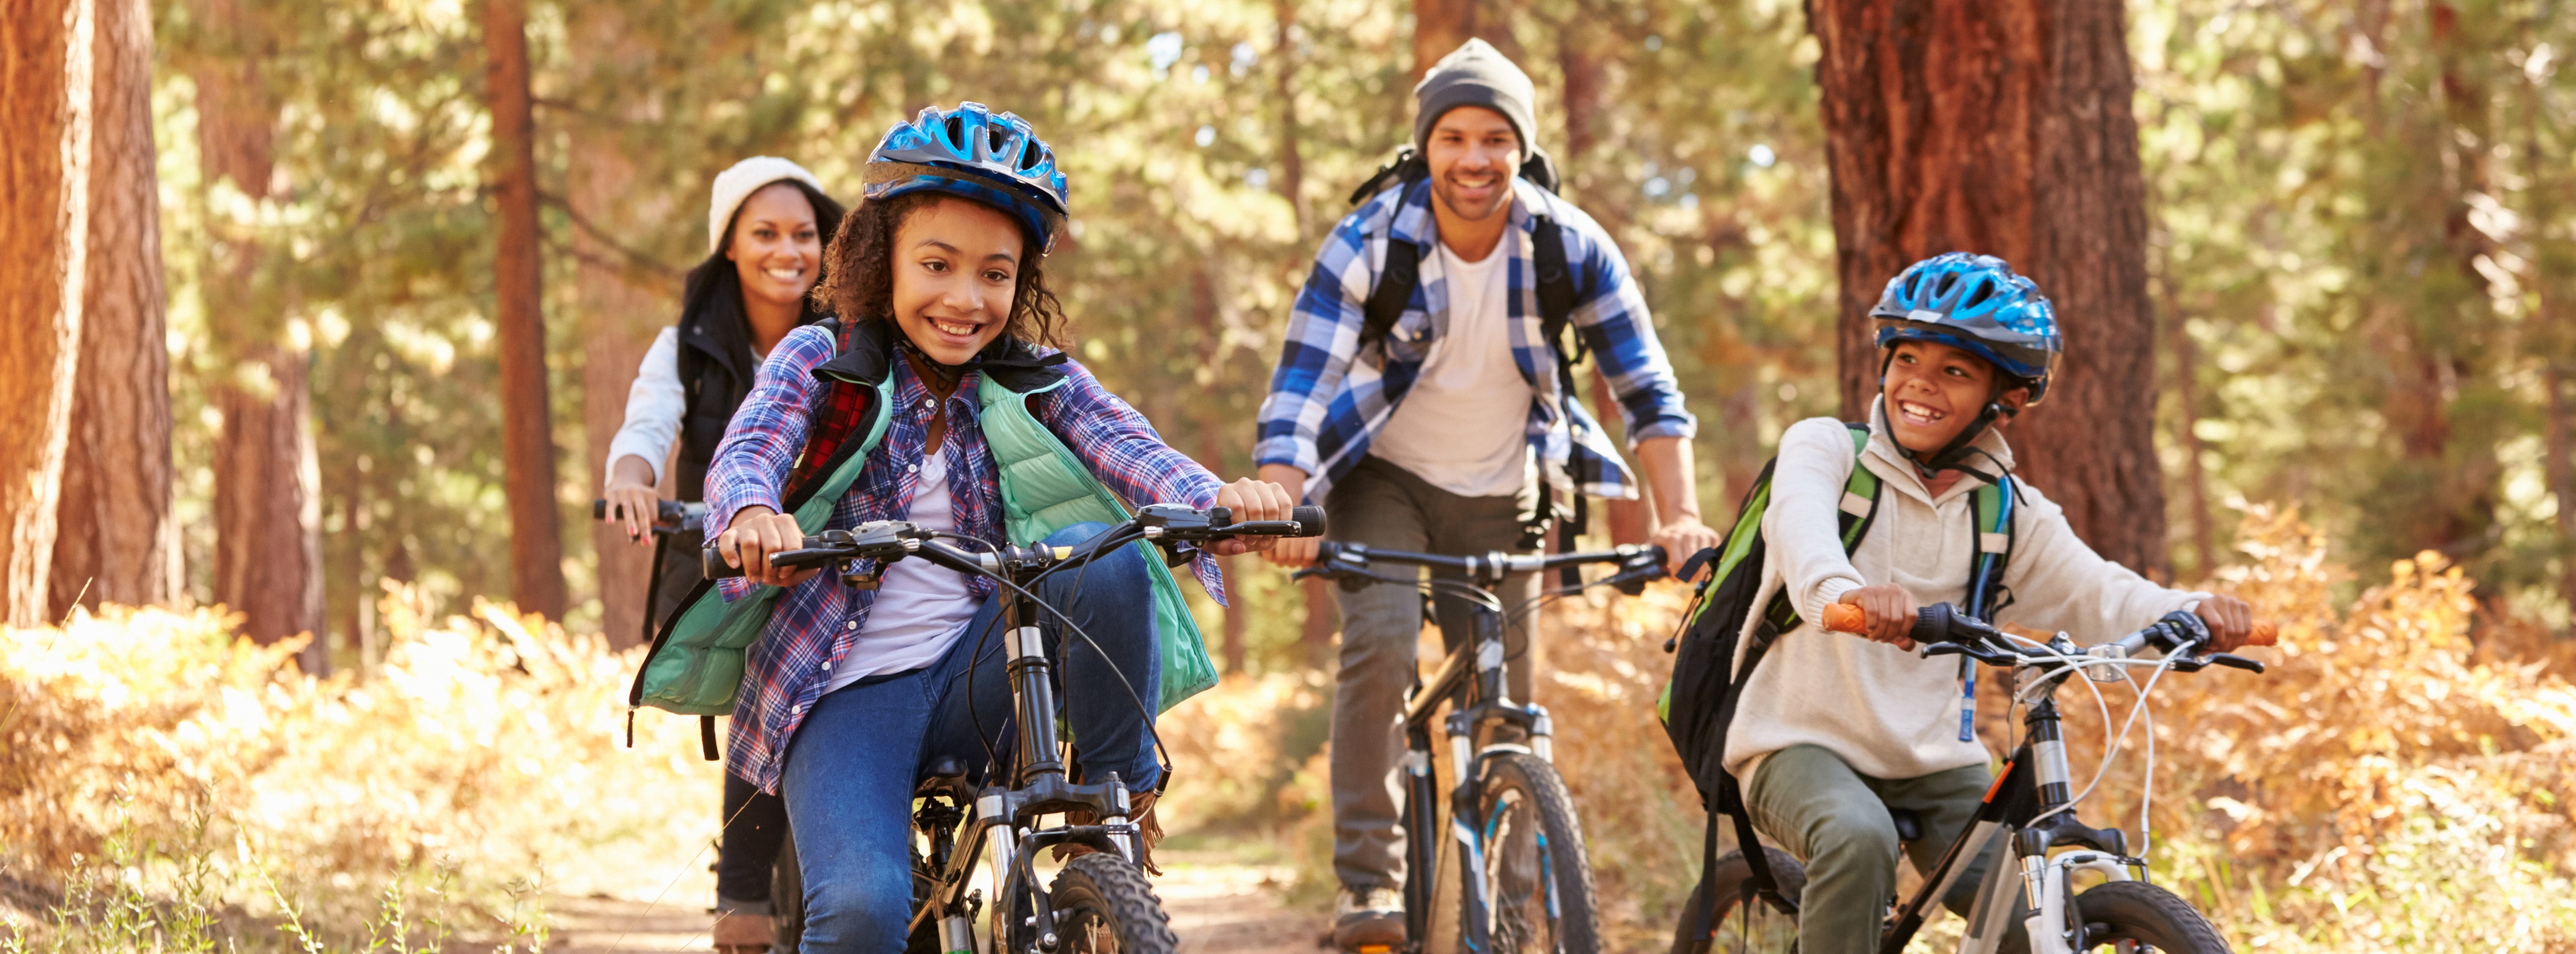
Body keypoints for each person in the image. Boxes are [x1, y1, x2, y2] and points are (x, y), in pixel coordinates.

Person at [702, 102, 1296, 954]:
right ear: (884, 260)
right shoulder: (819, 358)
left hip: (987, 678)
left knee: (1106, 555)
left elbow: (1131, 448)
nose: (965, 299)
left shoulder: (1033, 378)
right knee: (864, 914)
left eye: (994, 273)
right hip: (845, 692)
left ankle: (1110, 823)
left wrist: (1221, 503)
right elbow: (752, 447)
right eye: (937, 265)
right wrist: (754, 513)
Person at [1251, 39, 1721, 949]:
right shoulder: (1370, 240)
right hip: (1382, 477)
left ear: (1522, 146)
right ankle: (1368, 887)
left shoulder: (1569, 245)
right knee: (1381, 643)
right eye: (1455, 137)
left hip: (1507, 485)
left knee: (1508, 710)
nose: (1475, 159)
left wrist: (1680, 518)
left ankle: (1513, 913)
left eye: (1496, 138)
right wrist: (1285, 500)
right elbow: (1302, 388)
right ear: (1427, 146)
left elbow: (1649, 393)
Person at [1730, 252, 2255, 954]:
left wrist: (2195, 612)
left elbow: (2100, 591)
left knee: (2022, 917)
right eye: (1907, 358)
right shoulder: (1826, 450)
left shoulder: (2009, 513)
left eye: (1955, 371)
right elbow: (1803, 541)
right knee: (1857, 839)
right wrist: (1848, 596)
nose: (1919, 383)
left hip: (1933, 760)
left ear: (2003, 398)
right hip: (1795, 741)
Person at [599, 155, 844, 954]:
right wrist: (632, 482)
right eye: (765, 233)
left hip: (840, 551)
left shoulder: (854, 334)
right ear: (729, 247)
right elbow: (646, 428)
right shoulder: (687, 345)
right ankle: (741, 897)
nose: (789, 250)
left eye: (805, 235)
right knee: (769, 663)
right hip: (731, 563)